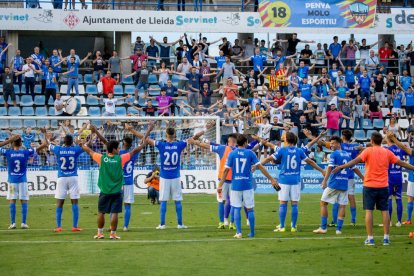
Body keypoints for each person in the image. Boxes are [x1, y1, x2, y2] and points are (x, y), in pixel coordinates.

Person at [333, 131, 414, 246]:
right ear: (381, 141)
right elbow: (402, 163)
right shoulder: (387, 152)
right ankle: (386, 238)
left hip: (369, 185)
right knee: (385, 211)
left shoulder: (368, 151)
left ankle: (370, 239)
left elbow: (354, 161)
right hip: (383, 186)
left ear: (371, 141)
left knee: (369, 211)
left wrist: (341, 166)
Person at [79, 128, 149, 240]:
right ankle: (113, 233)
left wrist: (81, 144)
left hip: (104, 190)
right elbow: (134, 151)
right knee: (115, 212)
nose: (119, 149)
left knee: (101, 212)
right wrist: (143, 144)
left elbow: (89, 151)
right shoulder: (120, 159)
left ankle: (100, 233)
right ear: (115, 149)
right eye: (117, 148)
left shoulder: (102, 158)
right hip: (117, 191)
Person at [261, 132, 325, 232]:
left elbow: (269, 158)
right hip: (295, 180)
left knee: (283, 203)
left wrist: (257, 165)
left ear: (286, 140)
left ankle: (282, 227)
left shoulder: (282, 150)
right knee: (294, 204)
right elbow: (311, 161)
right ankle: (293, 226)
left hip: (284, 180)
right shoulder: (299, 151)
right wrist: (321, 170)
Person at [218, 134, 279, 238]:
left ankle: (239, 232)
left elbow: (226, 170)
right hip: (247, 185)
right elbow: (261, 167)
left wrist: (220, 185)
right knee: (250, 209)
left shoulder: (232, 154)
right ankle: (252, 232)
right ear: (246, 143)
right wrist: (271, 179)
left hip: (236, 185)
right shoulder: (250, 153)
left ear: (237, 143)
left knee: (236, 208)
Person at [313, 136, 364, 234]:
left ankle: (323, 228)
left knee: (323, 203)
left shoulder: (334, 154)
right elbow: (354, 168)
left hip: (334, 183)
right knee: (342, 206)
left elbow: (329, 168)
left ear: (338, 144)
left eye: (332, 143)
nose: (331, 145)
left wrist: (324, 181)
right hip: (344, 183)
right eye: (330, 143)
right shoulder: (347, 155)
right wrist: (362, 177)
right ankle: (338, 230)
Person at [147, 127, 189, 229]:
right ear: (174, 134)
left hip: (164, 177)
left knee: (163, 200)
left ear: (166, 134)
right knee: (177, 200)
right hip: (175, 177)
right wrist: (205, 129)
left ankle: (162, 224)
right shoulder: (179, 144)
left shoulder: (161, 145)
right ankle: (180, 224)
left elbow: (146, 139)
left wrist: (131, 131)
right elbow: (194, 138)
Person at [43, 131, 84, 232]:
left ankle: (58, 227)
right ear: (71, 142)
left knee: (59, 203)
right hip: (73, 177)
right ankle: (75, 226)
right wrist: (90, 136)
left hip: (62, 178)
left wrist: (45, 134)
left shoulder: (59, 149)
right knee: (74, 202)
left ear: (63, 142)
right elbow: (87, 145)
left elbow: (47, 144)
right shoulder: (75, 150)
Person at [0, 135, 42, 229]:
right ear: (21, 143)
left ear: (12, 144)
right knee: (24, 201)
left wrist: (9, 140)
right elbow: (39, 147)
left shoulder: (8, 152)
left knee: (12, 200)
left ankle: (13, 223)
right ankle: (23, 223)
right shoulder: (25, 152)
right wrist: (46, 142)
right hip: (22, 181)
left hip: (12, 181)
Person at [386, 132, 414, 226]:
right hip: (399, 176)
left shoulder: (386, 150)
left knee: (389, 199)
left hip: (390, 177)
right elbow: (404, 148)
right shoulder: (400, 150)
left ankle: (389, 222)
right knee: (399, 199)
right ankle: (399, 222)